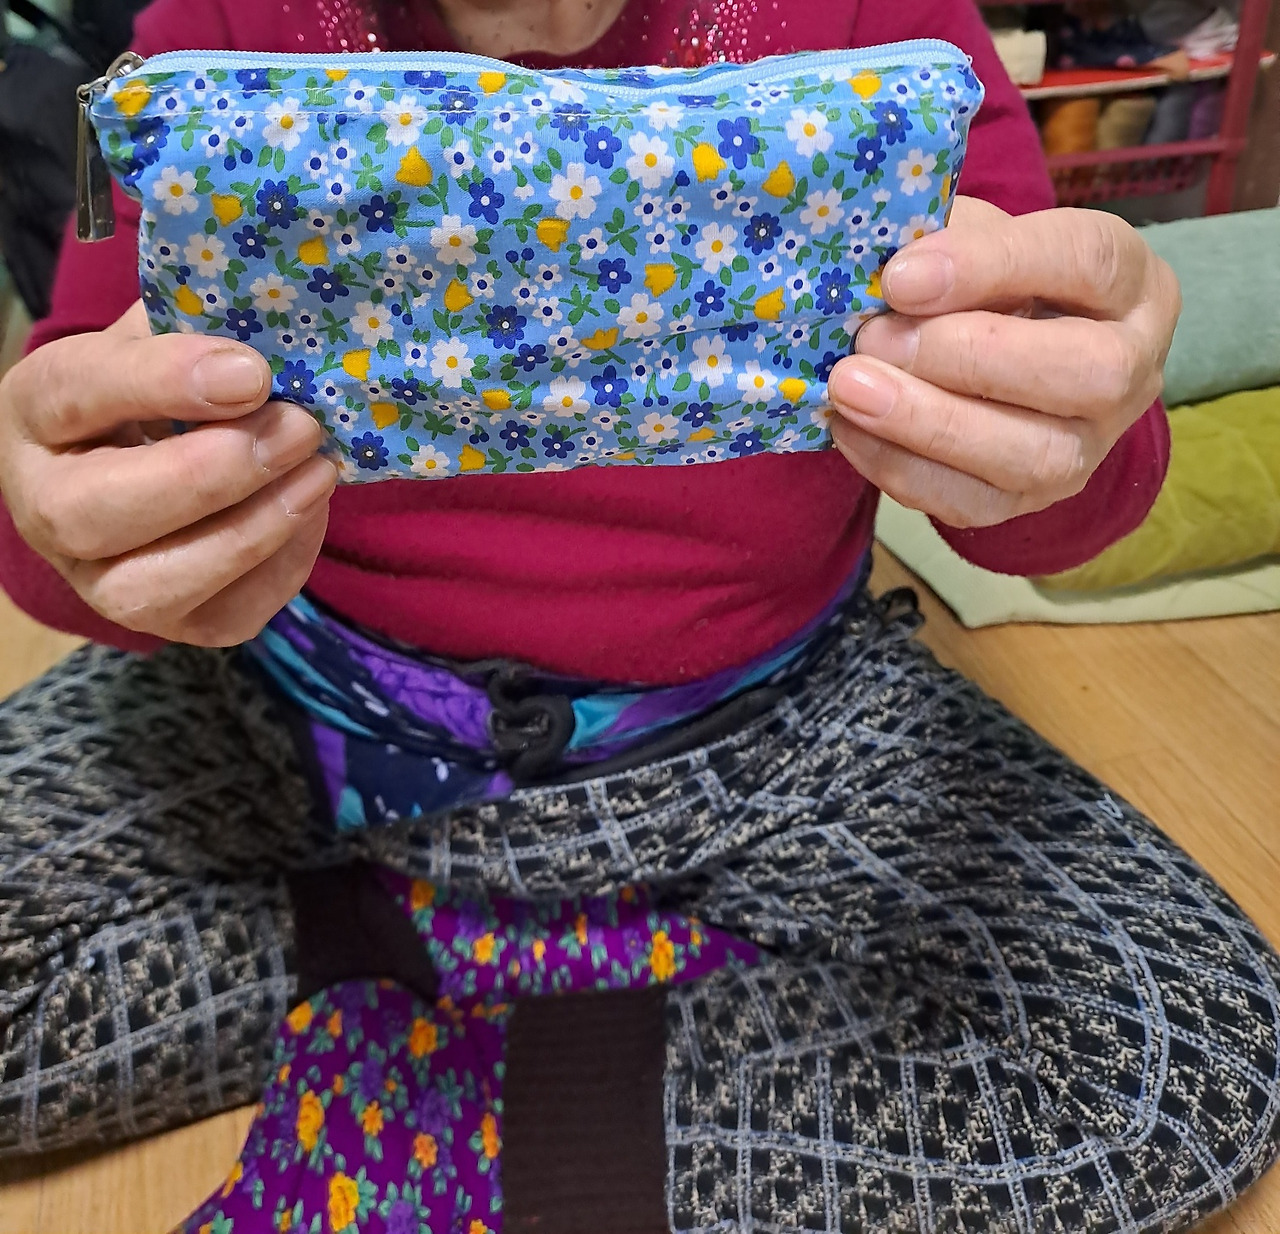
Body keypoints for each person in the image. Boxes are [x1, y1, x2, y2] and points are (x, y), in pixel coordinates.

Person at [0, 0, 1276, 1231]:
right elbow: (69, 496)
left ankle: (439, 1000)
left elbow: (1052, 507)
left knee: (1174, 1061)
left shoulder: (880, 21)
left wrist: (1070, 425)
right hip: (303, 712)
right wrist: (77, 515)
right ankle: (577, 944)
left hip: (770, 736)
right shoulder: (215, 28)